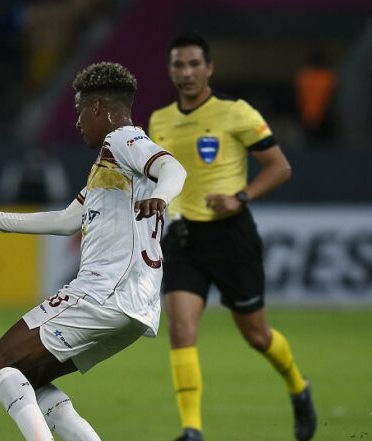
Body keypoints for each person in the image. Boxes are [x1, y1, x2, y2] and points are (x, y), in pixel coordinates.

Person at [0, 62, 187, 441]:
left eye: (80, 110)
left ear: (99, 107)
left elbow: (173, 168)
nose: (78, 122)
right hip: (135, 307)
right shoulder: (108, 164)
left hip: (105, 293)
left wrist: (162, 197)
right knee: (29, 379)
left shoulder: (123, 141)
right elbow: (70, 219)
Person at [147, 32, 316, 441]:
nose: (185, 73)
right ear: (170, 71)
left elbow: (279, 166)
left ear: (209, 68)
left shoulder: (236, 112)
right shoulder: (159, 120)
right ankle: (192, 430)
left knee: (257, 336)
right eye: (178, 65)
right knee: (181, 329)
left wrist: (241, 197)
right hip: (183, 237)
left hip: (230, 236)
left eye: (193, 64)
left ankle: (298, 386)